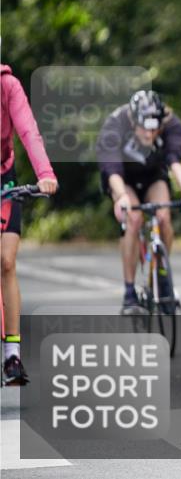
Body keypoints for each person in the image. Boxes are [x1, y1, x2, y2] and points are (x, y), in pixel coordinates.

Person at [96, 90, 181, 315]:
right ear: (133, 121)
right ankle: (129, 291)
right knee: (134, 219)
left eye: (154, 129)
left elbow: (174, 162)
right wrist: (121, 197)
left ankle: (161, 276)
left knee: (163, 216)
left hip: (153, 176)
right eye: (144, 128)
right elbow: (111, 169)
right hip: (123, 179)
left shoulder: (171, 124)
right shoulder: (115, 125)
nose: (149, 133)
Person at [1, 64, 59, 386]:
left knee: (6, 261)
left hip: (3, 179)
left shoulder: (7, 85)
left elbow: (28, 130)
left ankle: (12, 354)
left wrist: (44, 173)